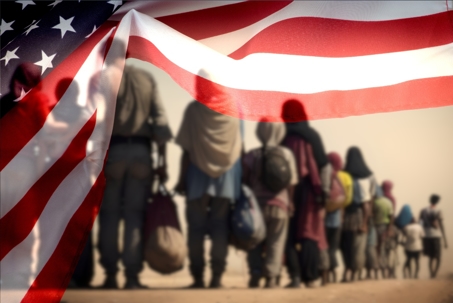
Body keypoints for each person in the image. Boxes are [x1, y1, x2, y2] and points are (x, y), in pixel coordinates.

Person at [98, 63, 172, 289]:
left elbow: (95, 117)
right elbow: (160, 122)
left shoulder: (104, 77)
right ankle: (132, 277)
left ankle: (110, 274)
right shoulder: (146, 78)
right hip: (141, 154)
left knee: (109, 216)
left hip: (113, 153)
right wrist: (162, 162)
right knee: (135, 217)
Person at [174, 83, 242, 288]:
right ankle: (217, 278)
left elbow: (186, 149)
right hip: (226, 180)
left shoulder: (194, 110)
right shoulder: (235, 110)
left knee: (196, 229)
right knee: (220, 227)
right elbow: (240, 146)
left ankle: (197, 278)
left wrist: (181, 179)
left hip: (197, 178)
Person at [281, 99, 331, 288]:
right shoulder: (312, 136)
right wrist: (324, 192)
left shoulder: (283, 136)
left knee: (289, 234)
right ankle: (310, 277)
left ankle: (295, 277)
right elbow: (324, 166)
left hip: (288, 191)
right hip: (311, 191)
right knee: (309, 233)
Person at [243, 121, 298, 288]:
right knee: (276, 242)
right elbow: (292, 182)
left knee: (254, 242)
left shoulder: (252, 155)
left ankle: (255, 274)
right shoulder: (287, 154)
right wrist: (291, 203)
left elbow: (245, 181)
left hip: (256, 207)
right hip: (280, 205)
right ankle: (272, 278)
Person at [341, 147, 377, 282]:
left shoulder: (344, 174)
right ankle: (356, 274)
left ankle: (347, 273)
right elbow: (370, 200)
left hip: (346, 215)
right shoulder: (370, 175)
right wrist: (365, 222)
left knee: (346, 245)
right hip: (362, 214)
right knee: (359, 246)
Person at [325, 152, 351, 283]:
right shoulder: (339, 177)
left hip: (325, 219)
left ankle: (327, 275)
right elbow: (345, 197)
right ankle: (334, 273)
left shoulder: (325, 174)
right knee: (333, 249)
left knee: (325, 247)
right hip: (337, 221)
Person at [419, 194, 448, 278]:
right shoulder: (438, 211)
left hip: (426, 235)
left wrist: (421, 234)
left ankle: (431, 272)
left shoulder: (423, 210)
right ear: (437, 201)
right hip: (436, 235)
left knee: (431, 256)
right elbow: (441, 225)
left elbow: (420, 223)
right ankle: (434, 273)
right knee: (438, 256)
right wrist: (445, 240)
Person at [374, 184, 396, 279]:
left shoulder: (374, 202)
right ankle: (388, 271)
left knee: (377, 250)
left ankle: (377, 271)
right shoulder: (390, 200)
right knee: (387, 250)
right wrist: (390, 229)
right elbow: (392, 215)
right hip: (387, 227)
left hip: (376, 227)